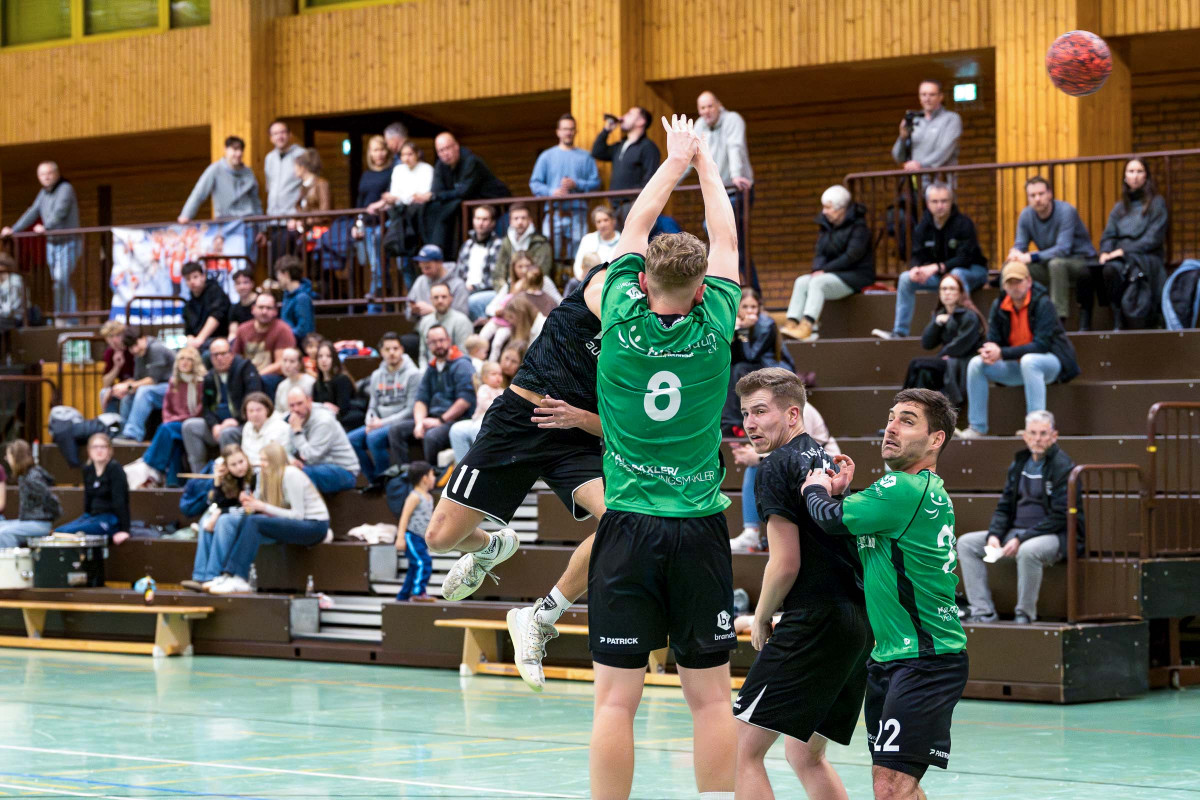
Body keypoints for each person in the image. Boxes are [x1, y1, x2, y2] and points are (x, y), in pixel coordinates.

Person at [582, 115, 741, 800]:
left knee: (616, 701)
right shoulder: (716, 325)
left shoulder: (619, 317)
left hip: (628, 525)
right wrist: (707, 163)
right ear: (702, 289)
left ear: (643, 282)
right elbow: (725, 239)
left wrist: (675, 159)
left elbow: (635, 225)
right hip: (698, 527)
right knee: (711, 699)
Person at [802, 389, 968, 800]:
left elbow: (830, 519)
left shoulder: (902, 488)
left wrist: (815, 487)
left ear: (936, 439)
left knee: (890, 787)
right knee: (896, 785)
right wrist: (842, 494)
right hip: (891, 657)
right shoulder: (912, 491)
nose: (891, 428)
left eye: (907, 420)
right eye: (890, 417)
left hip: (924, 660)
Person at [731, 368, 870, 800]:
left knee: (743, 751)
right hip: (856, 624)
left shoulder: (777, 465)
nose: (750, 423)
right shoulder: (825, 460)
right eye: (745, 414)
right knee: (804, 753)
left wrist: (760, 616)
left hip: (815, 620)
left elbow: (785, 562)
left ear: (793, 414)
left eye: (760, 412)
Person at [958, 411, 1078, 623]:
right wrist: (994, 535)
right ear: (1025, 436)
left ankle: (1024, 614)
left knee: (1028, 551)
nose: (1038, 439)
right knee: (966, 543)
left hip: (1054, 536)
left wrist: (1021, 539)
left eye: (1043, 433)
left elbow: (1060, 516)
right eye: (1033, 433)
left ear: (1054, 436)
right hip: (1016, 532)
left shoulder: (1063, 466)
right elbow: (1004, 506)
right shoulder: (1019, 463)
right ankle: (983, 611)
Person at [960, 262, 1081, 438]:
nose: (1014, 286)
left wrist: (1002, 353)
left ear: (1029, 281)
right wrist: (989, 350)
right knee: (976, 364)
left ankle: (1035, 427)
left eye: (1018, 281)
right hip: (1016, 366)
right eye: (1010, 282)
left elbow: (1042, 345)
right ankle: (977, 427)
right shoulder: (999, 305)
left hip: (1050, 363)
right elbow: (993, 339)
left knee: (1029, 360)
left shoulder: (1043, 303)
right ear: (1004, 286)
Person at [207, 443, 330, 595]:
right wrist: (251, 503)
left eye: (264, 460)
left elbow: (298, 515)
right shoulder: (269, 476)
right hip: (298, 525)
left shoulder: (291, 474)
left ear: (275, 459)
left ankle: (239, 577)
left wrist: (263, 507)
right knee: (247, 520)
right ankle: (228, 575)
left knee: (254, 522)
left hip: (314, 527)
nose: (261, 463)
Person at [873, 181, 988, 340]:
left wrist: (937, 267)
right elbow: (917, 254)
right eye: (935, 201)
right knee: (905, 278)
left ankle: (963, 330)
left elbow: (965, 258)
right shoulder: (923, 226)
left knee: (956, 275)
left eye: (944, 201)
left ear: (951, 202)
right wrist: (916, 268)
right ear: (927, 203)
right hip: (941, 276)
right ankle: (899, 332)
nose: (940, 206)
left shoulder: (963, 224)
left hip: (973, 272)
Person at [729, 402, 840, 553]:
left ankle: (779, 536)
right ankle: (752, 533)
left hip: (825, 467)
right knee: (757, 467)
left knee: (762, 466)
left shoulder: (802, 410)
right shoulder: (776, 410)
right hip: (799, 466)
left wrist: (759, 457)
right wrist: (754, 454)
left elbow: (801, 453)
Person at [1080, 158, 1169, 330]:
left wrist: (1124, 251)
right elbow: (1108, 235)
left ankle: (1118, 319)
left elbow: (1154, 238)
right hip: (1118, 256)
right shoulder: (1119, 207)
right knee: (1086, 271)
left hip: (1145, 256)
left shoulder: (1157, 203)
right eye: (1131, 171)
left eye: (1139, 171)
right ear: (1125, 177)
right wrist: (1105, 252)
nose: (1135, 176)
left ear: (1146, 176)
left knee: (1110, 270)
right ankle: (1084, 324)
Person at [781, 185, 875, 342]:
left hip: (856, 277)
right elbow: (820, 253)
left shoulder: (859, 229)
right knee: (802, 281)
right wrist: (817, 269)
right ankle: (792, 322)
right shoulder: (826, 227)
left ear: (841, 209)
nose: (824, 212)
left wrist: (825, 271)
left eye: (828, 207)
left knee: (818, 282)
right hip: (832, 274)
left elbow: (851, 256)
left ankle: (807, 325)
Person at [1006, 175, 1097, 320]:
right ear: (1028, 198)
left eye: (1041, 194)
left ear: (1050, 194)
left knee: (1056, 264)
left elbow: (1063, 249)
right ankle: (1012, 316)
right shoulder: (1026, 215)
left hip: (1081, 262)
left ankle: (1057, 320)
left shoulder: (1066, 211)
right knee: (1014, 268)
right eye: (1032, 195)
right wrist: (1015, 254)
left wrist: (1032, 256)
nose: (1037, 199)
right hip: (1049, 262)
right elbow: (1020, 245)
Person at [386, 325, 476, 466]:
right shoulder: (432, 367)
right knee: (396, 430)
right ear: (428, 345)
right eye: (433, 342)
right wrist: (419, 423)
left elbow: (464, 401)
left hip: (456, 420)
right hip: (432, 418)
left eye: (441, 340)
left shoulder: (462, 365)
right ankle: (404, 472)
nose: (438, 345)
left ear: (449, 340)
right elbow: (421, 399)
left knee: (431, 436)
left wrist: (440, 420)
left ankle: (432, 475)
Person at [1, 161, 81, 317]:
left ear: (57, 174)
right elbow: (32, 212)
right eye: (42, 174)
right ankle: (64, 315)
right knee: (58, 282)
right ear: (38, 177)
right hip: (52, 243)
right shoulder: (43, 193)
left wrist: (46, 226)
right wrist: (14, 229)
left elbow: (60, 212)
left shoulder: (65, 189)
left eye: (49, 173)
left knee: (60, 280)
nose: (46, 177)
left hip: (68, 242)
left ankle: (66, 317)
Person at [695, 91, 755, 285]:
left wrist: (736, 175)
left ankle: (751, 292)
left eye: (710, 106)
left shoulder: (732, 119)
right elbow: (690, 155)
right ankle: (739, 287)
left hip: (736, 189)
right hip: (715, 192)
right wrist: (671, 181)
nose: (706, 111)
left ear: (719, 106)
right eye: (702, 108)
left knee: (736, 244)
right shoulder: (699, 125)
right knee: (725, 243)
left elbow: (734, 147)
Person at [903, 274, 986, 407]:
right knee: (923, 372)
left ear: (960, 293)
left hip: (961, 364)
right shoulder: (941, 314)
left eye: (952, 289)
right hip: (947, 361)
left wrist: (942, 355)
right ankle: (911, 407)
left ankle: (903, 404)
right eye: (944, 289)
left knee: (916, 363)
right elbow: (927, 343)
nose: (947, 292)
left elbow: (960, 346)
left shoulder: (969, 316)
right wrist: (936, 323)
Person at [349, 332, 421, 485]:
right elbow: (372, 405)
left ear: (402, 350)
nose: (392, 353)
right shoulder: (376, 375)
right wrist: (370, 421)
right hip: (378, 422)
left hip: (401, 421)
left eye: (395, 348)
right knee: (351, 440)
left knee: (373, 438)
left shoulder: (413, 374)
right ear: (381, 352)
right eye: (387, 349)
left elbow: (410, 410)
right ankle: (374, 481)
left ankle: (385, 481)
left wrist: (381, 423)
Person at [422, 132, 511, 255]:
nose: (445, 153)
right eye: (441, 150)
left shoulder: (471, 161)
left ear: (456, 146)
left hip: (495, 204)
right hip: (471, 208)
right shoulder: (440, 165)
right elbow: (437, 191)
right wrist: (437, 195)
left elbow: (463, 192)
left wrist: (437, 196)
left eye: (448, 148)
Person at [183, 338, 264, 473]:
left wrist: (236, 420)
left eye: (223, 354)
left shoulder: (245, 369)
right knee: (189, 426)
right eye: (215, 355)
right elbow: (206, 408)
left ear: (231, 354)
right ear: (211, 357)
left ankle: (227, 476)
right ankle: (199, 476)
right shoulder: (209, 377)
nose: (219, 358)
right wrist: (214, 425)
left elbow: (254, 399)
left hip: (242, 425)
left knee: (227, 433)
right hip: (218, 426)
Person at [721, 286, 793, 436]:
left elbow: (751, 356)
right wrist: (734, 330)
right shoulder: (736, 322)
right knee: (730, 369)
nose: (750, 311)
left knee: (739, 369)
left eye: (753, 307)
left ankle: (733, 422)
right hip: (751, 367)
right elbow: (733, 356)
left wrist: (743, 330)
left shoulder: (766, 325)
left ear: (759, 308)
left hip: (772, 368)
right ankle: (729, 422)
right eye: (745, 307)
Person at [183, 443, 255, 591]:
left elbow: (248, 508)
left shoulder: (254, 476)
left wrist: (220, 512)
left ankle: (212, 576)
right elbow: (218, 502)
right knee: (205, 521)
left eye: (241, 461)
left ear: (246, 458)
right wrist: (217, 481)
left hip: (249, 516)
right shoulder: (229, 478)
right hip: (233, 513)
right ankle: (199, 576)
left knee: (222, 521)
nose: (239, 467)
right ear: (227, 467)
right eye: (233, 464)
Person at [133, 346, 207, 487]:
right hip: (174, 424)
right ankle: (173, 483)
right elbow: (166, 408)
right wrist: (170, 420)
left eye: (189, 359)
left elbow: (199, 410)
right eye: (182, 359)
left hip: (192, 424)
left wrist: (174, 420)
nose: (184, 362)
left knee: (167, 429)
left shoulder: (201, 382)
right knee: (174, 442)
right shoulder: (174, 382)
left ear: (195, 362)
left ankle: (150, 464)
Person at [530, 114, 601, 259]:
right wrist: (551, 192)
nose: (568, 132)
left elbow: (596, 183)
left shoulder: (586, 157)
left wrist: (577, 184)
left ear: (575, 131)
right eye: (565, 129)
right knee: (549, 253)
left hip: (578, 213)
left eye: (571, 129)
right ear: (558, 132)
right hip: (554, 212)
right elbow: (534, 183)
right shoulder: (546, 156)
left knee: (578, 255)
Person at [373, 140, 436, 286]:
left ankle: (421, 289)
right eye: (403, 155)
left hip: (419, 218)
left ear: (417, 154)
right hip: (400, 217)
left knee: (417, 256)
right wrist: (399, 198)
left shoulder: (426, 169)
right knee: (401, 258)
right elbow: (396, 194)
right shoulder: (398, 170)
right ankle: (408, 291)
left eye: (410, 154)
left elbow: (422, 195)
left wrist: (400, 198)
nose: (406, 158)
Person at [56, 433, 130, 544]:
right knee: (59, 531)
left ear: (109, 450)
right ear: (89, 450)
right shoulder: (88, 470)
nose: (99, 450)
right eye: (95, 447)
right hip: (92, 517)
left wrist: (124, 530)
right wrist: (84, 519)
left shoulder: (115, 469)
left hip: (110, 519)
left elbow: (121, 501)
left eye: (103, 447)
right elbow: (88, 499)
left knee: (69, 532)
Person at [285, 388, 361, 494]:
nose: (296, 409)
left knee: (300, 474)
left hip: (344, 471)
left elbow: (310, 456)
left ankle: (311, 505)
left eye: (299, 403)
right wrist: (292, 460)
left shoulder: (323, 421)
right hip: (318, 467)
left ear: (309, 400)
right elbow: (286, 449)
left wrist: (297, 432)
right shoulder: (294, 419)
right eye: (292, 405)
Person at [179, 136, 263, 224]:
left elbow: (255, 200)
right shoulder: (215, 170)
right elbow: (199, 193)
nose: (238, 153)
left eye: (241, 150)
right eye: (235, 149)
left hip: (248, 222)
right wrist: (186, 215)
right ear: (225, 150)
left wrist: (261, 226)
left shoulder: (248, 172)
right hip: (225, 222)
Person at [113, 327, 175, 443]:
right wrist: (123, 388)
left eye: (135, 344)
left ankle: (133, 434)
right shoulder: (139, 355)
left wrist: (129, 387)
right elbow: (138, 380)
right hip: (156, 390)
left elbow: (153, 380)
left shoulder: (156, 348)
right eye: (131, 347)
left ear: (142, 338)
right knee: (127, 397)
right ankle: (124, 433)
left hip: (173, 389)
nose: (134, 349)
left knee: (144, 391)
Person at [354, 135, 394, 313]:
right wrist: (356, 223)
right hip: (367, 225)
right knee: (374, 265)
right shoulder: (366, 174)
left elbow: (392, 195)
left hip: (383, 223)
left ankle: (375, 306)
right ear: (370, 153)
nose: (379, 154)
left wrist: (380, 204)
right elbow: (360, 200)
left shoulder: (392, 172)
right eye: (375, 150)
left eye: (382, 149)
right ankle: (383, 304)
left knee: (378, 264)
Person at [892, 79, 963, 174]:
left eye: (932, 94)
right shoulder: (914, 120)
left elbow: (945, 150)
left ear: (941, 97)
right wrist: (903, 137)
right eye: (923, 94)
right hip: (916, 179)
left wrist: (920, 165)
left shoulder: (951, 119)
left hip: (940, 179)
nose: (927, 99)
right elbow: (898, 157)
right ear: (919, 97)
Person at [0, 440, 60, 548]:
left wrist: (47, 518)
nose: (7, 459)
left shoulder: (32, 478)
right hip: (28, 520)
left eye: (8, 456)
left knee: (4, 533)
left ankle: (12, 557)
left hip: (39, 523)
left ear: (15, 457)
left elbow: (50, 499)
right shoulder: (24, 476)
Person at [232, 292, 296, 392]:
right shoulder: (242, 329)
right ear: (253, 309)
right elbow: (235, 358)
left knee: (264, 380)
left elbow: (281, 364)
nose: (264, 311)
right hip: (247, 375)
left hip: (271, 378)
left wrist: (255, 375)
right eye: (261, 307)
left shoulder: (283, 330)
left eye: (269, 308)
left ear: (275, 311)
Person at [591, 106, 661, 192]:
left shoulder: (648, 147)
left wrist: (636, 198)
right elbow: (597, 152)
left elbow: (651, 179)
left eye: (629, 114)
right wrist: (606, 130)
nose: (623, 117)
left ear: (641, 121)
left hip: (635, 199)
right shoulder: (620, 145)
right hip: (615, 200)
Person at [394, 460, 436, 601]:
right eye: (432, 475)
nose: (434, 478)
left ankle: (403, 596)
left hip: (422, 539)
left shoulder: (429, 497)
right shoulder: (414, 497)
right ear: (424, 478)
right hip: (412, 537)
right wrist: (400, 538)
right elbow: (404, 517)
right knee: (423, 562)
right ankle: (419, 592)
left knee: (414, 567)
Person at [449, 361, 506, 464]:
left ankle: (480, 465)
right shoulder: (484, 389)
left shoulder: (503, 391)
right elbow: (486, 404)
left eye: (500, 374)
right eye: (494, 374)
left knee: (477, 429)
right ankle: (463, 465)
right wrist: (500, 406)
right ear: (484, 378)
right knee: (456, 429)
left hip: (495, 422)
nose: (498, 377)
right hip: (481, 418)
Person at [263, 119, 304, 258]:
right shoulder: (269, 158)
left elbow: (308, 185)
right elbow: (269, 186)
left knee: (289, 261)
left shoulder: (301, 154)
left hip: (292, 219)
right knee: (275, 261)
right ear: (271, 138)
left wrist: (300, 215)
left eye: (282, 132)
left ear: (289, 134)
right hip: (274, 219)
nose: (279, 136)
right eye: (275, 134)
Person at [455, 204, 504, 321]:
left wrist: (474, 287)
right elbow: (458, 274)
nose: (480, 223)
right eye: (477, 218)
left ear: (492, 223)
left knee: (470, 302)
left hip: (489, 291)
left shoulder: (499, 245)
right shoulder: (467, 245)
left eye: (485, 219)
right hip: (465, 290)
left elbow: (497, 279)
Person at [495, 203, 554, 287]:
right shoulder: (506, 242)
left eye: (523, 218)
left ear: (530, 220)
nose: (520, 222)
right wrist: (505, 289)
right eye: (516, 218)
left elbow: (542, 272)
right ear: (510, 221)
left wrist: (521, 288)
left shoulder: (541, 242)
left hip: (534, 288)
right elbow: (498, 272)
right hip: (509, 288)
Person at [406, 244, 470, 320]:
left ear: (439, 263)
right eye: (421, 268)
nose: (424, 272)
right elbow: (408, 312)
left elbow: (462, 318)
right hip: (424, 325)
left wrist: (434, 312)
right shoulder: (420, 281)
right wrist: (413, 312)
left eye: (428, 268)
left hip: (449, 326)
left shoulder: (458, 285)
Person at [313, 341, 364, 430]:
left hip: (346, 423)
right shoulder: (316, 384)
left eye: (328, 356)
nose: (324, 360)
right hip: (326, 423)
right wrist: (325, 406)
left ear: (334, 359)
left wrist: (324, 408)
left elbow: (343, 409)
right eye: (320, 356)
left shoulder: (342, 379)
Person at [417, 282, 473, 364]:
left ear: (451, 298)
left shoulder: (462, 321)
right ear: (430, 299)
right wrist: (425, 371)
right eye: (436, 297)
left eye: (444, 297)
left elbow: (464, 354)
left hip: (455, 367)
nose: (440, 301)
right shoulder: (425, 322)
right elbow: (423, 354)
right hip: (430, 368)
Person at [182, 260, 231, 351]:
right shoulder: (189, 305)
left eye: (195, 277)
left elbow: (217, 316)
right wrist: (190, 340)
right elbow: (188, 331)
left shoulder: (215, 292)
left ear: (203, 276)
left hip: (219, 340)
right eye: (188, 279)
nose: (192, 281)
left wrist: (199, 339)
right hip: (197, 344)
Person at [239, 392, 291, 467]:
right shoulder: (247, 426)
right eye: (251, 411)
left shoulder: (279, 427)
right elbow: (245, 452)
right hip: (250, 467)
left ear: (267, 410)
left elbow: (274, 459)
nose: (255, 414)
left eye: (258, 410)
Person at [572, 204, 621, 283]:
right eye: (598, 222)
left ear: (613, 221)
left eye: (606, 220)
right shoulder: (587, 239)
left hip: (613, 282)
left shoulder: (622, 241)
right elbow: (578, 265)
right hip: (588, 281)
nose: (602, 225)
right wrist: (584, 280)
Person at [275, 255, 316, 341]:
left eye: (278, 274)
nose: (277, 278)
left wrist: (281, 333)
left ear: (286, 274)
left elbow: (303, 330)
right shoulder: (288, 295)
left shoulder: (302, 298)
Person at [291, 147, 332, 231]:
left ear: (302, 167)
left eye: (296, 166)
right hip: (307, 230)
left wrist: (305, 221)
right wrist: (296, 220)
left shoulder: (321, 184)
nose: (294, 170)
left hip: (320, 231)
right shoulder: (304, 187)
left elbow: (325, 212)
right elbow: (302, 208)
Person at [99, 320, 133, 412]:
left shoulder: (133, 349)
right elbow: (105, 383)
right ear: (106, 339)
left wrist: (114, 389)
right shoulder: (110, 353)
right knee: (104, 392)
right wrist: (117, 366)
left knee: (126, 396)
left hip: (135, 386)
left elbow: (139, 378)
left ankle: (124, 422)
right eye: (110, 336)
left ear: (124, 336)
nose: (114, 340)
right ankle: (111, 420)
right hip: (121, 387)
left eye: (118, 335)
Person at [272, 348, 315, 418]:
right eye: (285, 360)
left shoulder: (310, 382)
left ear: (300, 364)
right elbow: (278, 411)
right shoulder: (281, 386)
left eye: (292, 361)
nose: (287, 365)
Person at [227, 269, 258, 339]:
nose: (242, 287)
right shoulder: (234, 308)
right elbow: (233, 333)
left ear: (252, 284)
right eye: (238, 283)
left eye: (245, 282)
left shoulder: (261, 303)